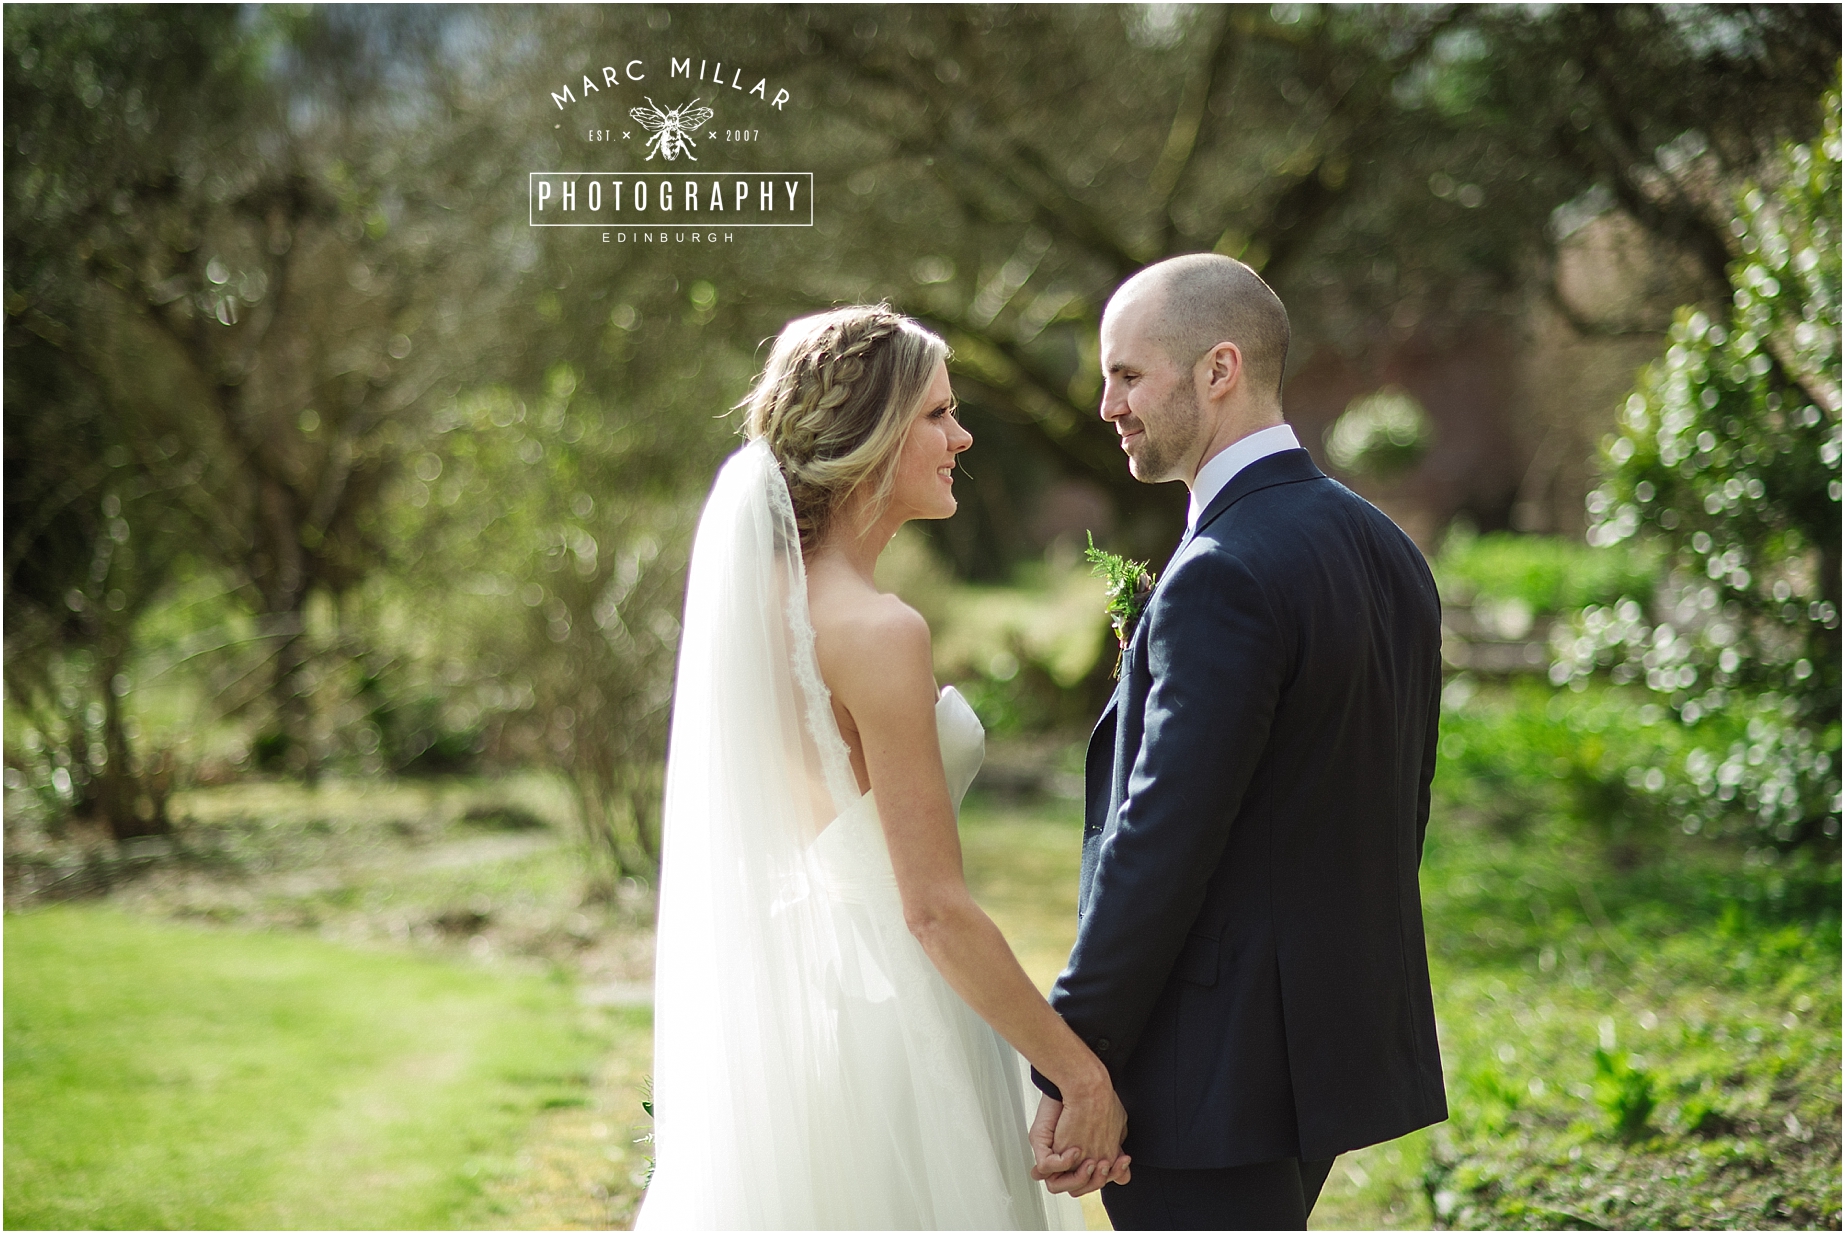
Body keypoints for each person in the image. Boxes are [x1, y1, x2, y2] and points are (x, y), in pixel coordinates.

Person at [637, 305, 1125, 1230]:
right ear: (869, 434)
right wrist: (1077, 1071)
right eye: (938, 414)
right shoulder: (878, 632)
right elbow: (932, 909)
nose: (962, 436)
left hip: (808, 1028)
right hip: (904, 1030)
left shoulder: (761, 614)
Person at [1028, 254, 1448, 1229]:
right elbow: (1396, 803)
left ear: (1219, 369)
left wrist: (1074, 1050)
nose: (1106, 405)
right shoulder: (1387, 549)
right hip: (1324, 1051)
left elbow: (1159, 842)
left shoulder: (1223, 571)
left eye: (1127, 374)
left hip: (1211, 1062)